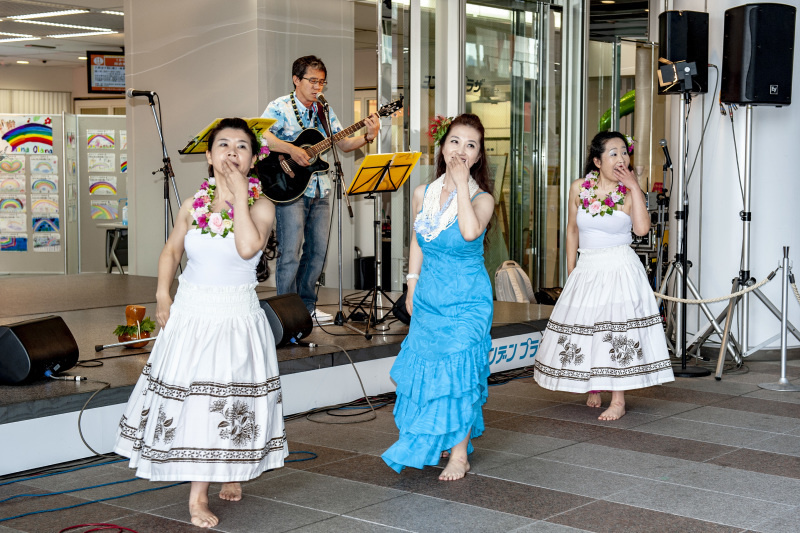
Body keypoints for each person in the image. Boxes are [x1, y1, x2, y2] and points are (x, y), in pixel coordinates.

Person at [114, 118, 288, 529]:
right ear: (208, 156)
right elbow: (172, 251)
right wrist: (161, 294)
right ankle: (197, 495)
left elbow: (248, 247)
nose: (231, 151)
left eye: (241, 146)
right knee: (194, 401)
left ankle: (230, 468)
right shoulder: (192, 204)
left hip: (235, 317)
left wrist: (241, 196)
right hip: (192, 314)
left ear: (253, 157)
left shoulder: (263, 205)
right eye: (222, 145)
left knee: (229, 400)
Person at [382, 114, 495, 481]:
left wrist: (462, 185)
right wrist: (411, 284)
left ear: (477, 157)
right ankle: (441, 438)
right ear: (443, 146)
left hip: (467, 301)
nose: (461, 150)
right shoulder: (423, 193)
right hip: (430, 297)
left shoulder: (483, 198)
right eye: (455, 141)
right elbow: (417, 239)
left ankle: (459, 454)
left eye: (471, 145)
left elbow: (467, 231)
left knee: (459, 374)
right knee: (429, 374)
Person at [533, 131, 674, 421]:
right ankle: (594, 384)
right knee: (587, 328)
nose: (621, 158)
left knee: (616, 330)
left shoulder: (630, 191)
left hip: (619, 267)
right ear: (597, 161)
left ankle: (618, 399)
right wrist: (571, 269)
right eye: (613, 153)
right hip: (588, 267)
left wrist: (634, 187)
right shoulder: (578, 188)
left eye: (624, 151)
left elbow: (642, 230)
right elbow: (572, 230)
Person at [261, 55, 380, 323]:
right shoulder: (279, 107)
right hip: (290, 187)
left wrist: (368, 135)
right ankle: (285, 313)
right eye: (313, 81)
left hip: (320, 188)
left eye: (322, 82)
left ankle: (307, 306)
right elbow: (262, 136)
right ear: (296, 79)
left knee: (317, 252)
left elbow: (345, 144)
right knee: (290, 253)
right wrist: (291, 148)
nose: (318, 87)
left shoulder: (324, 111)